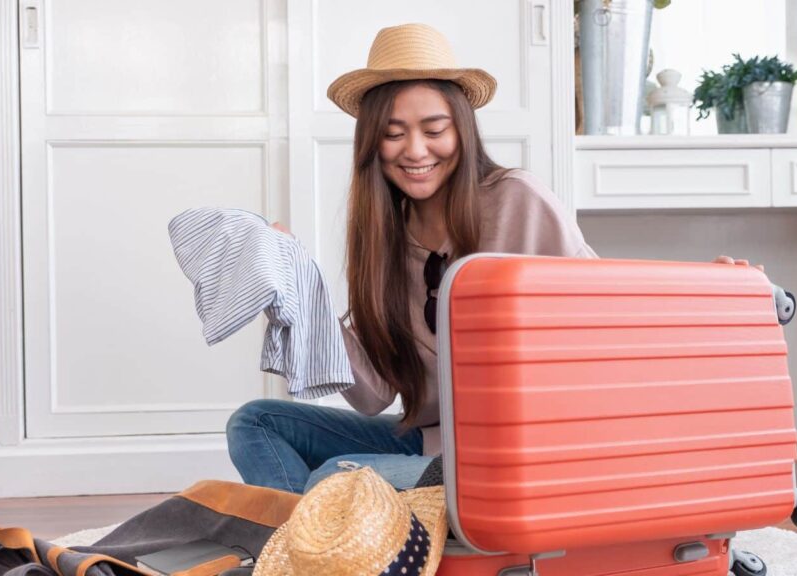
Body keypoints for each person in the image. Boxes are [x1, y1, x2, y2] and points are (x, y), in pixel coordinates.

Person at [225, 23, 748, 494]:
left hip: (517, 451)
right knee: (255, 423)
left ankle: (330, 529)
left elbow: (606, 303)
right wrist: (294, 288)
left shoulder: (516, 200)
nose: (415, 150)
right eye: (393, 133)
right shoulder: (385, 237)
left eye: (434, 130)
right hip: (432, 445)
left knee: (332, 480)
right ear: (372, 142)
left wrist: (707, 291)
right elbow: (373, 396)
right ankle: (312, 543)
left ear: (462, 130)